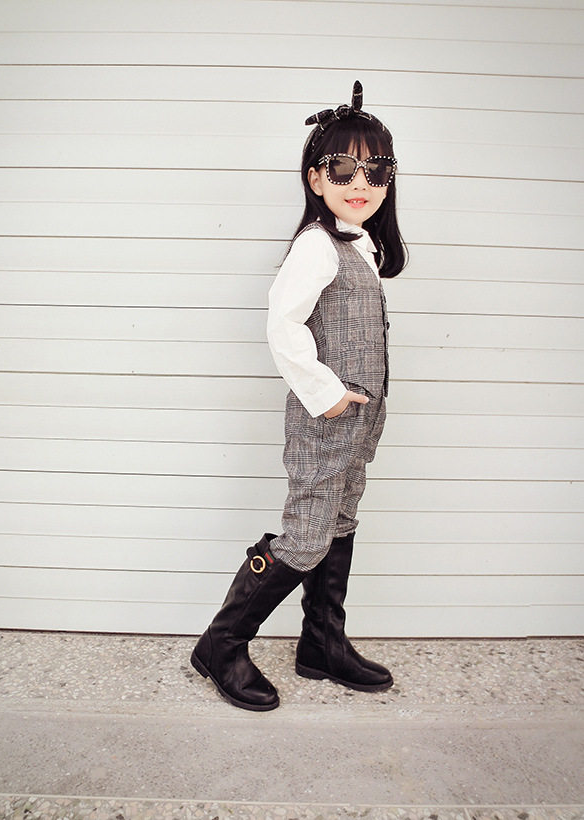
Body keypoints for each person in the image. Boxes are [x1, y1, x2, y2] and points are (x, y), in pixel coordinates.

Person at [191, 80, 407, 711]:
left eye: (375, 170)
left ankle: (321, 644)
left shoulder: (359, 246)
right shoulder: (317, 245)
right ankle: (222, 644)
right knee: (305, 536)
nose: (360, 182)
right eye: (342, 169)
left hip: (358, 424)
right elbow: (283, 326)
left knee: (341, 519)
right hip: (326, 419)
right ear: (315, 178)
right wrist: (326, 393)